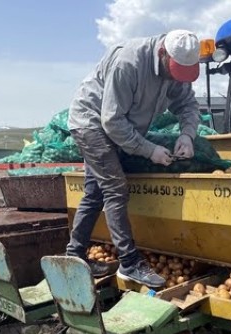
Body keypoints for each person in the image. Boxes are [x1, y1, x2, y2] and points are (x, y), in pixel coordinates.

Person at [66, 29, 202, 288]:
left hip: (119, 127)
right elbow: (112, 121)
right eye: (174, 71)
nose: (176, 78)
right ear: (163, 53)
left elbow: (187, 104)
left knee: (95, 193)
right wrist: (149, 150)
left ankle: (74, 256)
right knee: (115, 189)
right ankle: (129, 263)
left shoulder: (175, 69)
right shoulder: (129, 63)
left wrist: (187, 135)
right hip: (92, 123)